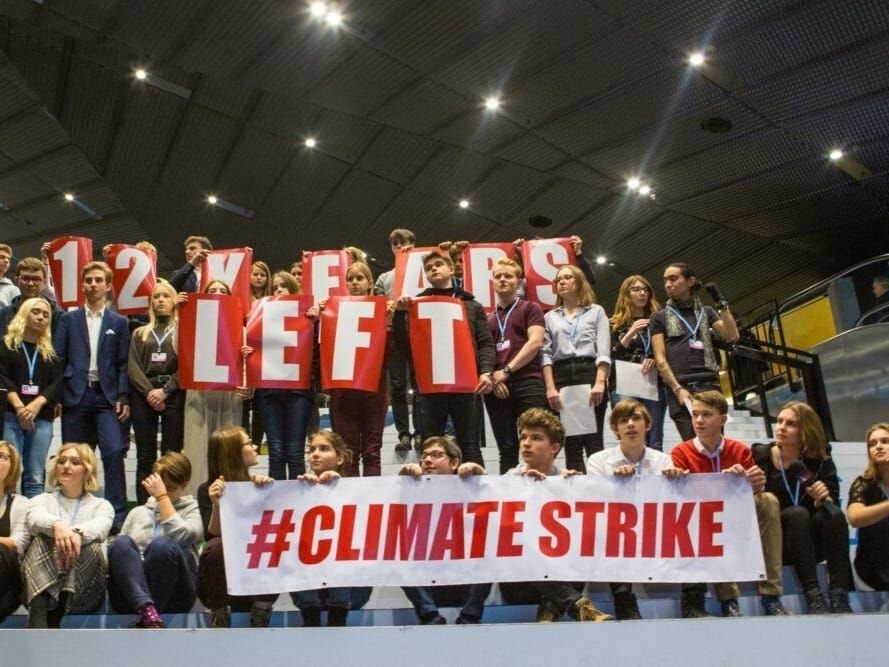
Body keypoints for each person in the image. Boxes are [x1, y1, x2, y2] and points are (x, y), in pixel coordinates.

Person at [671, 391, 787, 617]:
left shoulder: (740, 450)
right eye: (695, 415)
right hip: (703, 517)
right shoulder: (681, 452)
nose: (699, 421)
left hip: (735, 513)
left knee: (769, 500)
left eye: (706, 415)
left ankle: (771, 595)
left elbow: (754, 489)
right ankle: (728, 599)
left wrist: (754, 483)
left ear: (722, 419)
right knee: (710, 515)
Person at [507, 407, 613, 622]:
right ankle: (577, 606)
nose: (526, 443)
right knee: (525, 549)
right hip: (522, 579)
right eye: (523, 437)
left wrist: (574, 491)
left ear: (554, 447)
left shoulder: (567, 481)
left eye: (536, 438)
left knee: (586, 539)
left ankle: (551, 605)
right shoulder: (506, 481)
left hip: (560, 573)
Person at [585, 399, 687, 619]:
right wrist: (616, 484)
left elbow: (670, 503)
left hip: (653, 526)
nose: (630, 424)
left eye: (636, 418)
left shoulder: (664, 460)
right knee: (610, 527)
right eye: (624, 420)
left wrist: (676, 481)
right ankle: (624, 599)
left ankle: (694, 600)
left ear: (648, 425)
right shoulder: (598, 460)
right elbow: (594, 501)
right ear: (615, 428)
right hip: (618, 526)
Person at [394, 250, 495, 466]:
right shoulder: (415, 305)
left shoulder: (472, 305)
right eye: (429, 268)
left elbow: (485, 342)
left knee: (470, 445)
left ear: (451, 269)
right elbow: (403, 346)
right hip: (430, 387)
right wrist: (401, 313)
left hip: (466, 385)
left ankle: (477, 498)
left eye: (438, 264)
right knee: (430, 447)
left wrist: (486, 372)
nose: (434, 269)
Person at [752, 401, 853, 614]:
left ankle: (839, 593)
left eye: (790, 424)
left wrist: (821, 499)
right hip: (777, 543)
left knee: (833, 515)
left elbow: (831, 503)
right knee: (797, 514)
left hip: (812, 542)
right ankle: (813, 593)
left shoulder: (820, 460)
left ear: (805, 430)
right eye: (779, 421)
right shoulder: (760, 455)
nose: (781, 427)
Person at [53, 261, 131, 530]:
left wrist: (123, 396)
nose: (93, 284)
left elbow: (123, 363)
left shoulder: (119, 322)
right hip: (75, 396)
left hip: (107, 398)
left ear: (108, 286)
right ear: (83, 285)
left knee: (112, 452)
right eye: (89, 280)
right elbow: (58, 359)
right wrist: (57, 396)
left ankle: (117, 516)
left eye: (99, 280)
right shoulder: (68, 319)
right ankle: (70, 513)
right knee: (73, 460)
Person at [22, 443, 114, 628]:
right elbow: (34, 518)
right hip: (40, 588)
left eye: (74, 462)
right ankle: (40, 611)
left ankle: (57, 610)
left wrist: (75, 534)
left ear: (87, 469)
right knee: (43, 539)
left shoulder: (101, 506)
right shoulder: (40, 500)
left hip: (84, 591)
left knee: (88, 545)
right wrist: (57, 525)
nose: (66, 466)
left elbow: (100, 528)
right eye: (62, 461)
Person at [398, 436, 488, 624]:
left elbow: (497, 506)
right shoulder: (413, 491)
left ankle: (470, 615)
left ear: (455, 462)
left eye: (436, 455)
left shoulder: (471, 489)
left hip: (466, 579)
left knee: (494, 548)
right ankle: (429, 615)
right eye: (424, 457)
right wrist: (403, 480)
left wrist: (482, 477)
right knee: (396, 552)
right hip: (427, 580)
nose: (427, 460)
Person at [108, 451, 202, 628]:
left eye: (170, 489)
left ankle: (149, 610)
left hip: (176, 594)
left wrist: (161, 498)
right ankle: (147, 609)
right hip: (134, 596)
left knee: (162, 546)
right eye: (162, 487)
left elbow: (183, 535)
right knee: (121, 543)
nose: (164, 492)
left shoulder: (193, 510)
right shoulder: (138, 512)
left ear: (185, 484)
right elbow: (120, 558)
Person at [197, 426, 275, 628]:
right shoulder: (207, 488)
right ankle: (219, 612)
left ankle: (262, 608)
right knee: (216, 547)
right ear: (233, 452)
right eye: (249, 443)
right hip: (224, 578)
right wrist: (216, 504)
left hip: (255, 572)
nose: (255, 446)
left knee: (273, 541)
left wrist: (267, 493)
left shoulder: (259, 485)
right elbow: (211, 535)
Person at [651, 263, 739, 441]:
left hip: (709, 383)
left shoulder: (706, 312)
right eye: (666, 280)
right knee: (691, 443)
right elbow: (660, 359)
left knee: (714, 442)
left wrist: (721, 304)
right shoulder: (659, 317)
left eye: (673, 278)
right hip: (681, 386)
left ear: (690, 281)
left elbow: (731, 336)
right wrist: (677, 389)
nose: (668, 284)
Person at [182, 280, 250, 495]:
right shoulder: (191, 324)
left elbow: (247, 366)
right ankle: (196, 500)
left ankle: (230, 499)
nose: (218, 294)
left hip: (229, 396)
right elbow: (178, 352)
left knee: (228, 450)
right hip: (199, 395)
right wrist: (180, 310)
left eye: (222, 291)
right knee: (197, 449)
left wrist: (249, 386)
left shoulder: (241, 328)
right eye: (212, 291)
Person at [541, 264, 611, 473]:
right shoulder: (550, 317)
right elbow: (545, 354)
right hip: (561, 376)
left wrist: (600, 382)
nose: (561, 282)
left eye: (567, 277)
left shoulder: (596, 311)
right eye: (558, 279)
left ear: (578, 282)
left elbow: (604, 349)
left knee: (593, 439)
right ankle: (577, 493)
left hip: (589, 371)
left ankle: (599, 490)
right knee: (571, 441)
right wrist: (550, 388)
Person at [245, 274, 314, 480]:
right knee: (275, 452)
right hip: (269, 392)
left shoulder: (308, 317)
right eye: (275, 287)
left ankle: (297, 507)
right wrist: (249, 352)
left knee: (294, 452)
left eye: (284, 286)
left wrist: (315, 322)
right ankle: (276, 506)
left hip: (299, 392)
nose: (279, 290)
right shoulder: (259, 316)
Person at [483, 258, 547, 473]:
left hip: (528, 381)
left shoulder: (530, 308)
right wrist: (493, 377)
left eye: (508, 276)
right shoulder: (487, 319)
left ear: (519, 282)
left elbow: (535, 342)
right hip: (497, 387)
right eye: (498, 276)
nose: (502, 280)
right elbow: (483, 352)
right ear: (492, 282)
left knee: (535, 443)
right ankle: (508, 498)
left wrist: (506, 371)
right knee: (507, 447)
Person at [327, 261, 389, 476]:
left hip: (375, 388)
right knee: (348, 451)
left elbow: (391, 352)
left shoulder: (382, 311)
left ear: (370, 283)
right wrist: (320, 318)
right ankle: (351, 503)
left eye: (359, 278)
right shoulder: (333, 313)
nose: (354, 283)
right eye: (350, 279)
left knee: (372, 451)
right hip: (344, 390)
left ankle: (374, 502)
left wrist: (390, 320)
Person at [128, 282, 184, 504]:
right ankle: (144, 504)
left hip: (174, 393)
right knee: (145, 454)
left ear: (173, 301)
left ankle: (170, 502)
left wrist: (166, 390)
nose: (160, 300)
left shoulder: (182, 329)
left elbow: (187, 363)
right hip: (144, 395)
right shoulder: (140, 333)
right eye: (156, 297)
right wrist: (150, 392)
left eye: (165, 296)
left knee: (172, 454)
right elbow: (133, 366)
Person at [0, 298, 62, 498]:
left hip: (41, 417)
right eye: (36, 312)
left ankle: (34, 526)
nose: (41, 317)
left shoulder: (50, 352)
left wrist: (35, 405)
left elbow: (56, 383)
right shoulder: (6, 345)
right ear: (24, 314)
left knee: (35, 476)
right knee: (8, 475)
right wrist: (19, 407)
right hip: (11, 416)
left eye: (45, 315)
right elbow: (3, 377)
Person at [294, 430, 354, 627]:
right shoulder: (296, 488)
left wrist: (337, 488)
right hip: (306, 583)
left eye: (324, 449)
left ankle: (338, 619)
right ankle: (311, 620)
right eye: (312, 450)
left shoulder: (360, 491)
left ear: (340, 458)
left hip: (351, 583)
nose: (315, 454)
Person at [609, 275, 666, 450]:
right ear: (626, 294)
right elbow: (611, 355)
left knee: (654, 438)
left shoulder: (658, 321)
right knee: (627, 435)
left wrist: (655, 359)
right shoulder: (614, 323)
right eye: (636, 289)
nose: (642, 293)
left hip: (651, 380)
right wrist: (630, 333)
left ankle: (654, 477)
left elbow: (667, 350)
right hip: (624, 381)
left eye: (645, 290)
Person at [375, 228, 419, 451]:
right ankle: (403, 433)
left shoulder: (423, 272)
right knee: (398, 385)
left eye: (404, 243)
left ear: (413, 244)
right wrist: (391, 307)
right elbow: (377, 305)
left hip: (420, 331)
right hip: (394, 331)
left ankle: (420, 432)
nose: (400, 247)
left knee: (420, 384)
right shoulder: (384, 278)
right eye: (395, 243)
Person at [847, 423, 889, 591]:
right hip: (873, 565)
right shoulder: (864, 483)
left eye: (885, 441)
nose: (878, 446)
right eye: (872, 444)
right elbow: (855, 518)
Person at [0, 441, 30, 622]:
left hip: (6, 586)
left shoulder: (20, 503)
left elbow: (19, 542)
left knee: (4, 551)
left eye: (3, 457)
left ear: (12, 466)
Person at [0, 257, 65, 336]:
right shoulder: (4, 315)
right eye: (26, 279)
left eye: (36, 279)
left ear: (44, 282)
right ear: (17, 280)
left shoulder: (57, 315)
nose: (30, 284)